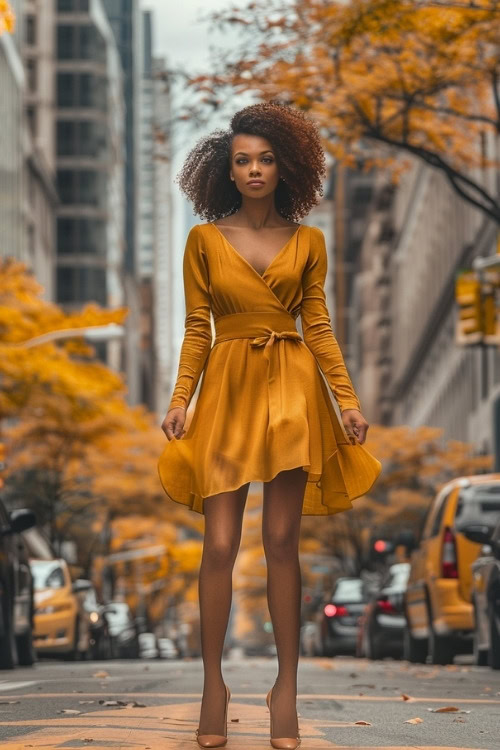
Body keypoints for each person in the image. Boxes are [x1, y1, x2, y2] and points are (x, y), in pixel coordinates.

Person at [158, 101, 382, 749]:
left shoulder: (310, 242)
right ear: (226, 172)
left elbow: (319, 326)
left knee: (282, 541)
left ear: (285, 167)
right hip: (225, 389)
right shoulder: (202, 241)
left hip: (291, 390)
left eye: (264, 159)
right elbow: (197, 326)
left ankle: (286, 687)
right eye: (242, 161)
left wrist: (346, 401)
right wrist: (181, 399)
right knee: (220, 545)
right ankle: (212, 685)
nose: (254, 170)